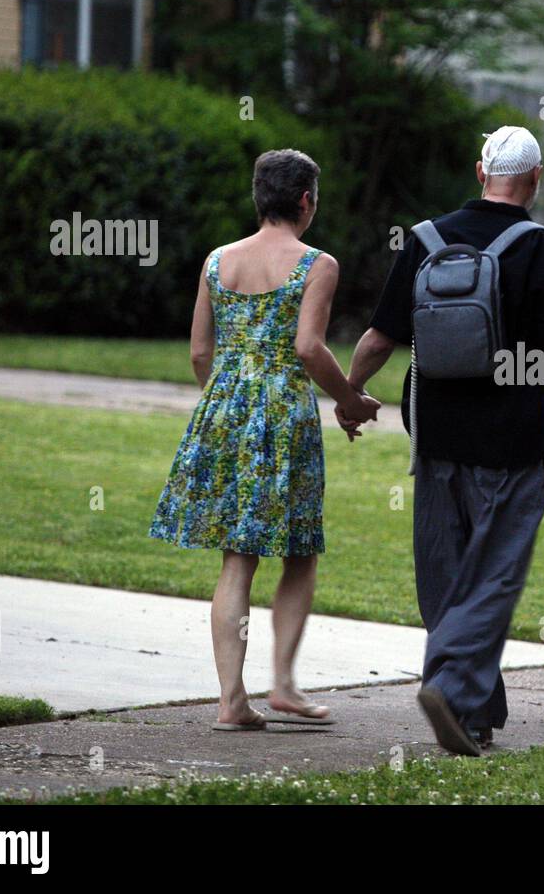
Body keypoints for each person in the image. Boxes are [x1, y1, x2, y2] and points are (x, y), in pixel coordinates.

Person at [340, 126, 544, 756]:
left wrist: (351, 395)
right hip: (510, 446)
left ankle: (470, 708)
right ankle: (452, 689)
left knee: (446, 575)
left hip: (431, 436)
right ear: (536, 181)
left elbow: (379, 338)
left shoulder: (425, 239)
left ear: (480, 170)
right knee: (494, 578)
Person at [148, 148, 380, 731]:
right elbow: (307, 347)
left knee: (237, 556)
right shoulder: (317, 264)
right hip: (283, 413)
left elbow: (200, 352)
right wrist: (350, 401)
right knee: (298, 550)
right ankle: (283, 686)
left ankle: (231, 700)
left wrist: (227, 398)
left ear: (260, 197)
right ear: (306, 201)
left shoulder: (217, 261)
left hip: (223, 408)